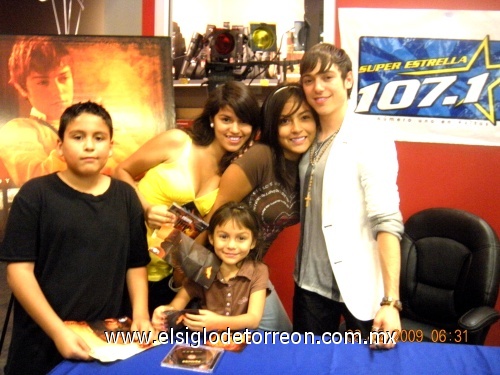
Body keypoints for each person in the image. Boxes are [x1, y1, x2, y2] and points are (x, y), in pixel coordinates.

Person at [0, 101, 152, 374]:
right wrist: (58, 331)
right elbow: (18, 272)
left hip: (107, 340)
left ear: (111, 146)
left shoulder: (126, 197)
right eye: (78, 137)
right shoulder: (35, 195)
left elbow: (136, 264)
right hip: (42, 340)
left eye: (99, 138)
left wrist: (141, 315)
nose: (89, 146)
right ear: (59, 145)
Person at [113, 81, 261, 314]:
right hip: (124, 261)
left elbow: (205, 231)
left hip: (166, 274)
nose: (235, 129)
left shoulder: (231, 173)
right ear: (212, 119)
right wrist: (146, 208)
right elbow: (121, 171)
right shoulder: (178, 142)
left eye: (244, 121)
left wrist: (185, 272)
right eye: (226, 119)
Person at [293, 43, 404, 349]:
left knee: (370, 366)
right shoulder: (305, 136)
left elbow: (387, 220)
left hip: (360, 285)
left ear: (348, 79)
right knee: (308, 366)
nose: (318, 87)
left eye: (327, 77)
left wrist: (391, 301)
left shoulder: (370, 137)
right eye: (308, 80)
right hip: (309, 284)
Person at [201, 83, 317, 331]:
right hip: (217, 271)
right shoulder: (261, 157)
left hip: (250, 271)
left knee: (279, 340)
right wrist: (189, 276)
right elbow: (211, 218)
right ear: (272, 127)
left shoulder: (307, 166)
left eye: (305, 118)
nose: (296, 129)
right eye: (285, 120)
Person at [152, 201, 268, 332]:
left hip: (242, 339)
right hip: (204, 341)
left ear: (252, 242)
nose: (231, 245)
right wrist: (164, 312)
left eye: (241, 238)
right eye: (223, 236)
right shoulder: (203, 268)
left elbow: (253, 319)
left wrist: (217, 322)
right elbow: (176, 305)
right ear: (212, 238)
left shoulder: (258, 270)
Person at [0, 36, 73, 187]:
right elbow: (40, 182)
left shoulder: (93, 121)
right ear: (21, 88)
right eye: (42, 82)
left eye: (63, 78)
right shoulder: (17, 130)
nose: (58, 91)